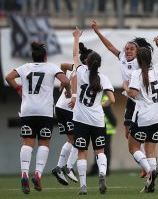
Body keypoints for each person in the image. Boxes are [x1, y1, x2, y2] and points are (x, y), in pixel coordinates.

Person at [5, 42, 71, 194]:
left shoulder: (25, 67)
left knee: (27, 143)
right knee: (44, 143)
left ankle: (23, 174)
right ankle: (37, 175)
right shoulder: (51, 67)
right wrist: (67, 91)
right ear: (45, 57)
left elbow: (9, 77)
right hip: (45, 112)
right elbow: (66, 80)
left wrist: (18, 89)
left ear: (33, 56)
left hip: (27, 111)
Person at [90, 21, 153, 177]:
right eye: (126, 49)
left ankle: (147, 166)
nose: (128, 51)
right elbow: (110, 46)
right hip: (130, 101)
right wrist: (98, 32)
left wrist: (127, 86)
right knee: (128, 133)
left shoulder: (141, 64)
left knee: (139, 133)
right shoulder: (122, 58)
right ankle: (144, 161)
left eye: (132, 48)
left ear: (138, 51)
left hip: (140, 101)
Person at [122, 36, 158, 193]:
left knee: (133, 147)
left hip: (143, 118)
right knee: (151, 150)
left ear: (138, 60)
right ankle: (150, 184)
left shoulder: (136, 74)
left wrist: (126, 88)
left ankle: (149, 171)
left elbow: (134, 94)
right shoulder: (156, 69)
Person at [70, 47, 115, 195]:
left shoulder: (81, 71)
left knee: (82, 152)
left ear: (87, 62)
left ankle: (83, 185)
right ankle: (102, 173)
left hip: (81, 120)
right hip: (97, 120)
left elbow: (75, 55)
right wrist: (100, 104)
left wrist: (76, 38)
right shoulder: (104, 78)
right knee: (100, 151)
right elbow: (112, 99)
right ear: (99, 64)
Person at [52, 29, 93, 186]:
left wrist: (63, 84)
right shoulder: (81, 69)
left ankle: (61, 167)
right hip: (67, 107)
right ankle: (66, 167)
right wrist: (64, 85)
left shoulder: (79, 67)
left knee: (73, 139)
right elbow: (73, 57)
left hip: (63, 106)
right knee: (78, 139)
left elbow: (63, 64)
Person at [89, 94, 117, 176]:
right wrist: (114, 122)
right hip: (103, 129)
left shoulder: (103, 98)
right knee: (101, 150)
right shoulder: (103, 98)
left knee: (101, 150)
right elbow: (111, 117)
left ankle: (103, 170)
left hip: (105, 129)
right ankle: (101, 169)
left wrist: (114, 122)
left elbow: (109, 114)